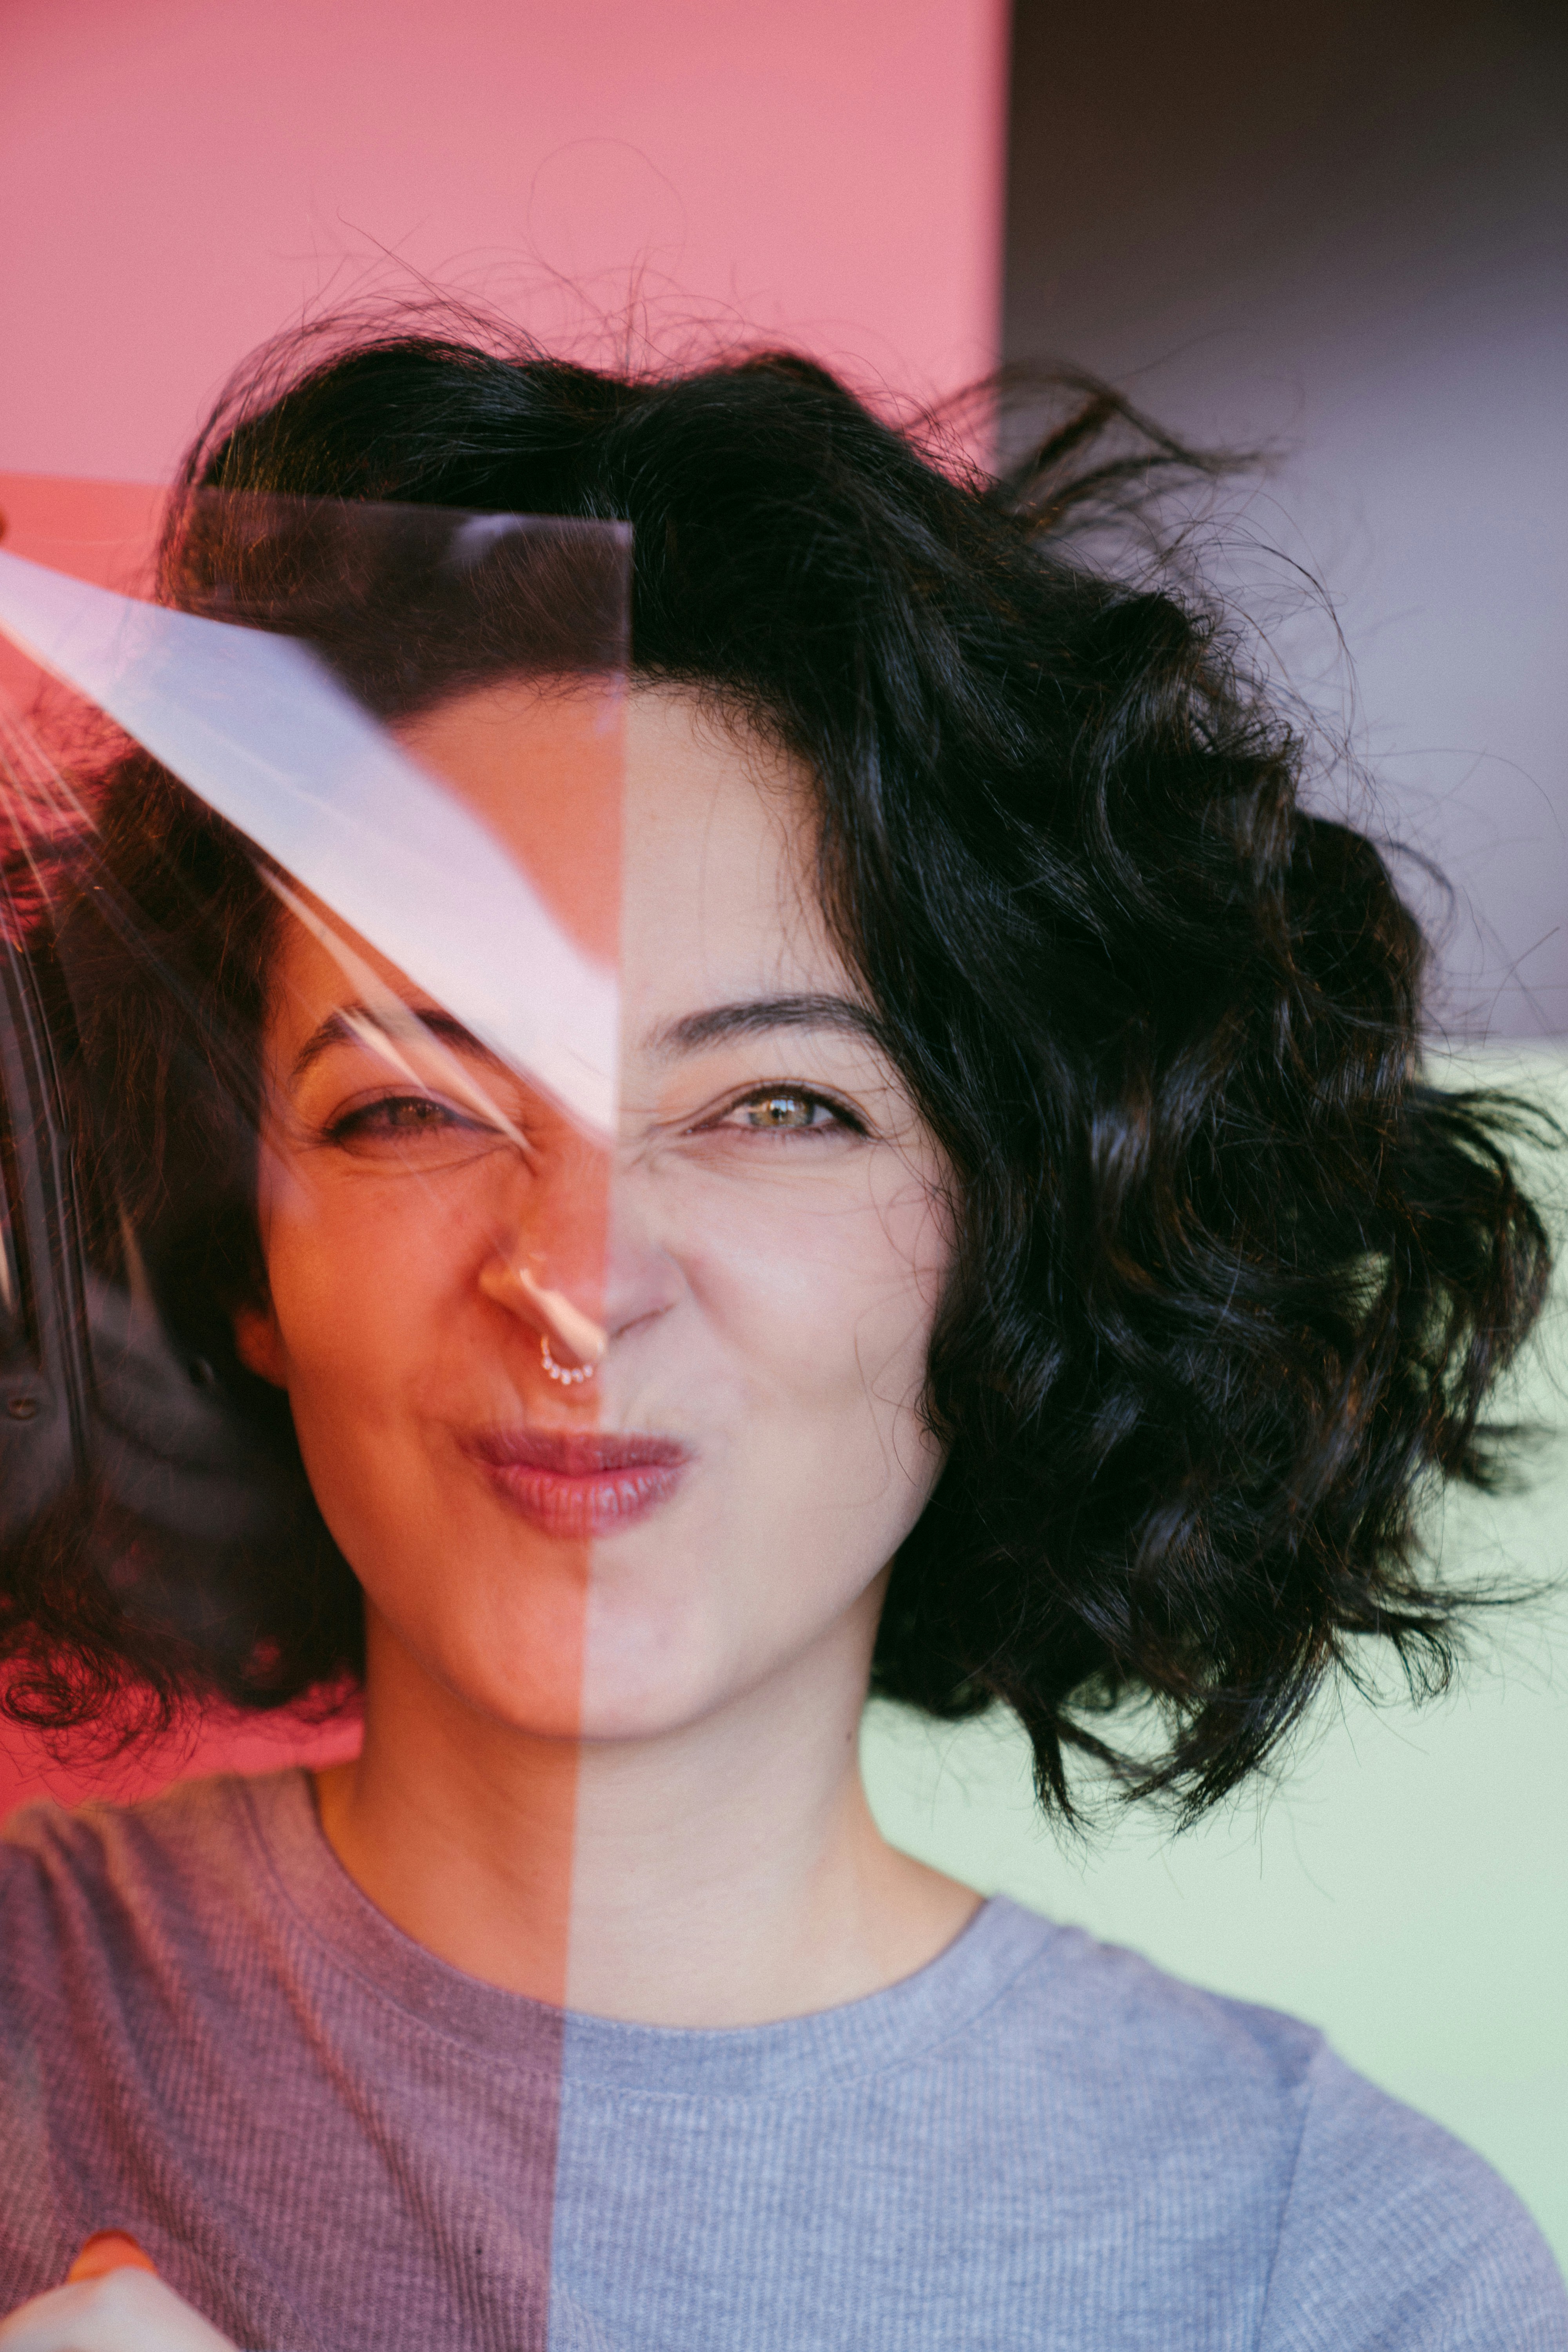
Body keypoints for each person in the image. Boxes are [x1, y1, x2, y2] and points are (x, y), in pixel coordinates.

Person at [0, 318, 1564, 2352]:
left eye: (779, 1107)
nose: (580, 1273)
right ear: (228, 1256)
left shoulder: (1324, 2262)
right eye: (406, 1104)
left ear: (1009, 1234)